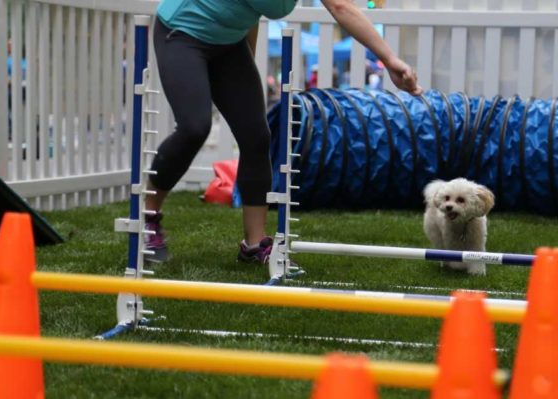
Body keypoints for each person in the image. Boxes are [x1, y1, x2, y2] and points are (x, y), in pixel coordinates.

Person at [145, 0, 423, 264]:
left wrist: (389, 60)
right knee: (195, 127)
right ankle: (149, 219)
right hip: (182, 32)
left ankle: (254, 244)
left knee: (256, 136)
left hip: (229, 44)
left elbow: (340, 8)